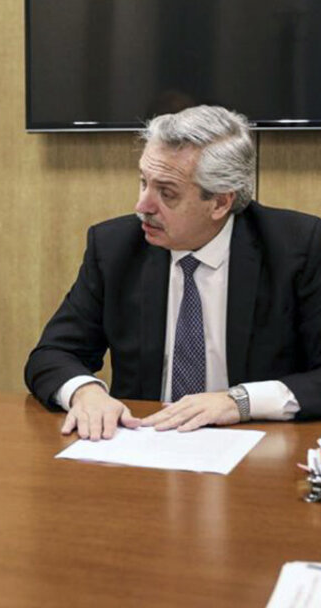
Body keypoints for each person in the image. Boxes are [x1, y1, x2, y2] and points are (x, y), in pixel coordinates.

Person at [24, 105, 321, 441]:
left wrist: (239, 402)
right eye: (143, 183)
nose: (143, 206)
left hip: (255, 449)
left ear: (220, 203)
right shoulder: (115, 247)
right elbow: (52, 354)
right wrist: (86, 392)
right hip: (143, 444)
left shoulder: (296, 248)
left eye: (167, 193)